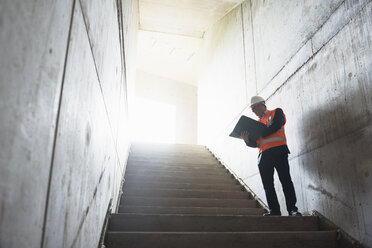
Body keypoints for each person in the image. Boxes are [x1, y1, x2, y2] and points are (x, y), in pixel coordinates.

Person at [240, 96, 302, 216]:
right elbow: (255, 143)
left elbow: (278, 124)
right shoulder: (255, 125)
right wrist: (247, 140)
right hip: (263, 156)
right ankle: (274, 211)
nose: (253, 111)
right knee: (268, 185)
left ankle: (292, 209)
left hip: (279, 152)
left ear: (262, 104)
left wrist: (262, 133)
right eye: (251, 109)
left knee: (286, 181)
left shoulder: (276, 112)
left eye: (254, 107)